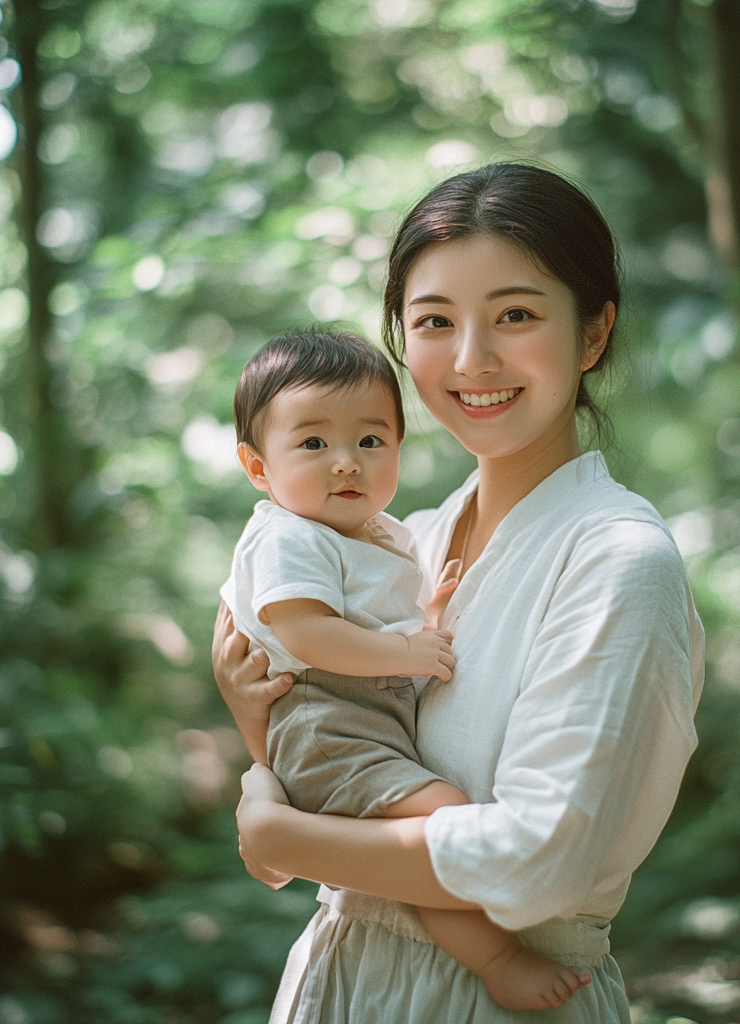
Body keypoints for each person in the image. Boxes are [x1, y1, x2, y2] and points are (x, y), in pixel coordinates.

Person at [213, 163, 706, 1023]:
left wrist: (279, 831)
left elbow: (535, 859)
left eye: (515, 315)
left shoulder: (618, 560)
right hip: (340, 981)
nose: (472, 359)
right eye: (435, 321)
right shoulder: (402, 543)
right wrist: (252, 716)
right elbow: (332, 738)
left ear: (594, 335)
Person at [221, 326, 593, 1010]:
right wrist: (407, 651)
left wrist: (425, 617)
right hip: (328, 720)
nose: (346, 463)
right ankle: (498, 959)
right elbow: (307, 632)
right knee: (443, 825)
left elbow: (365, 616)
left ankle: (489, 953)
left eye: (370, 441)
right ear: (258, 466)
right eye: (313, 443)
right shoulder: (288, 535)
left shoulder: (379, 532)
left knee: (410, 850)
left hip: (359, 719)